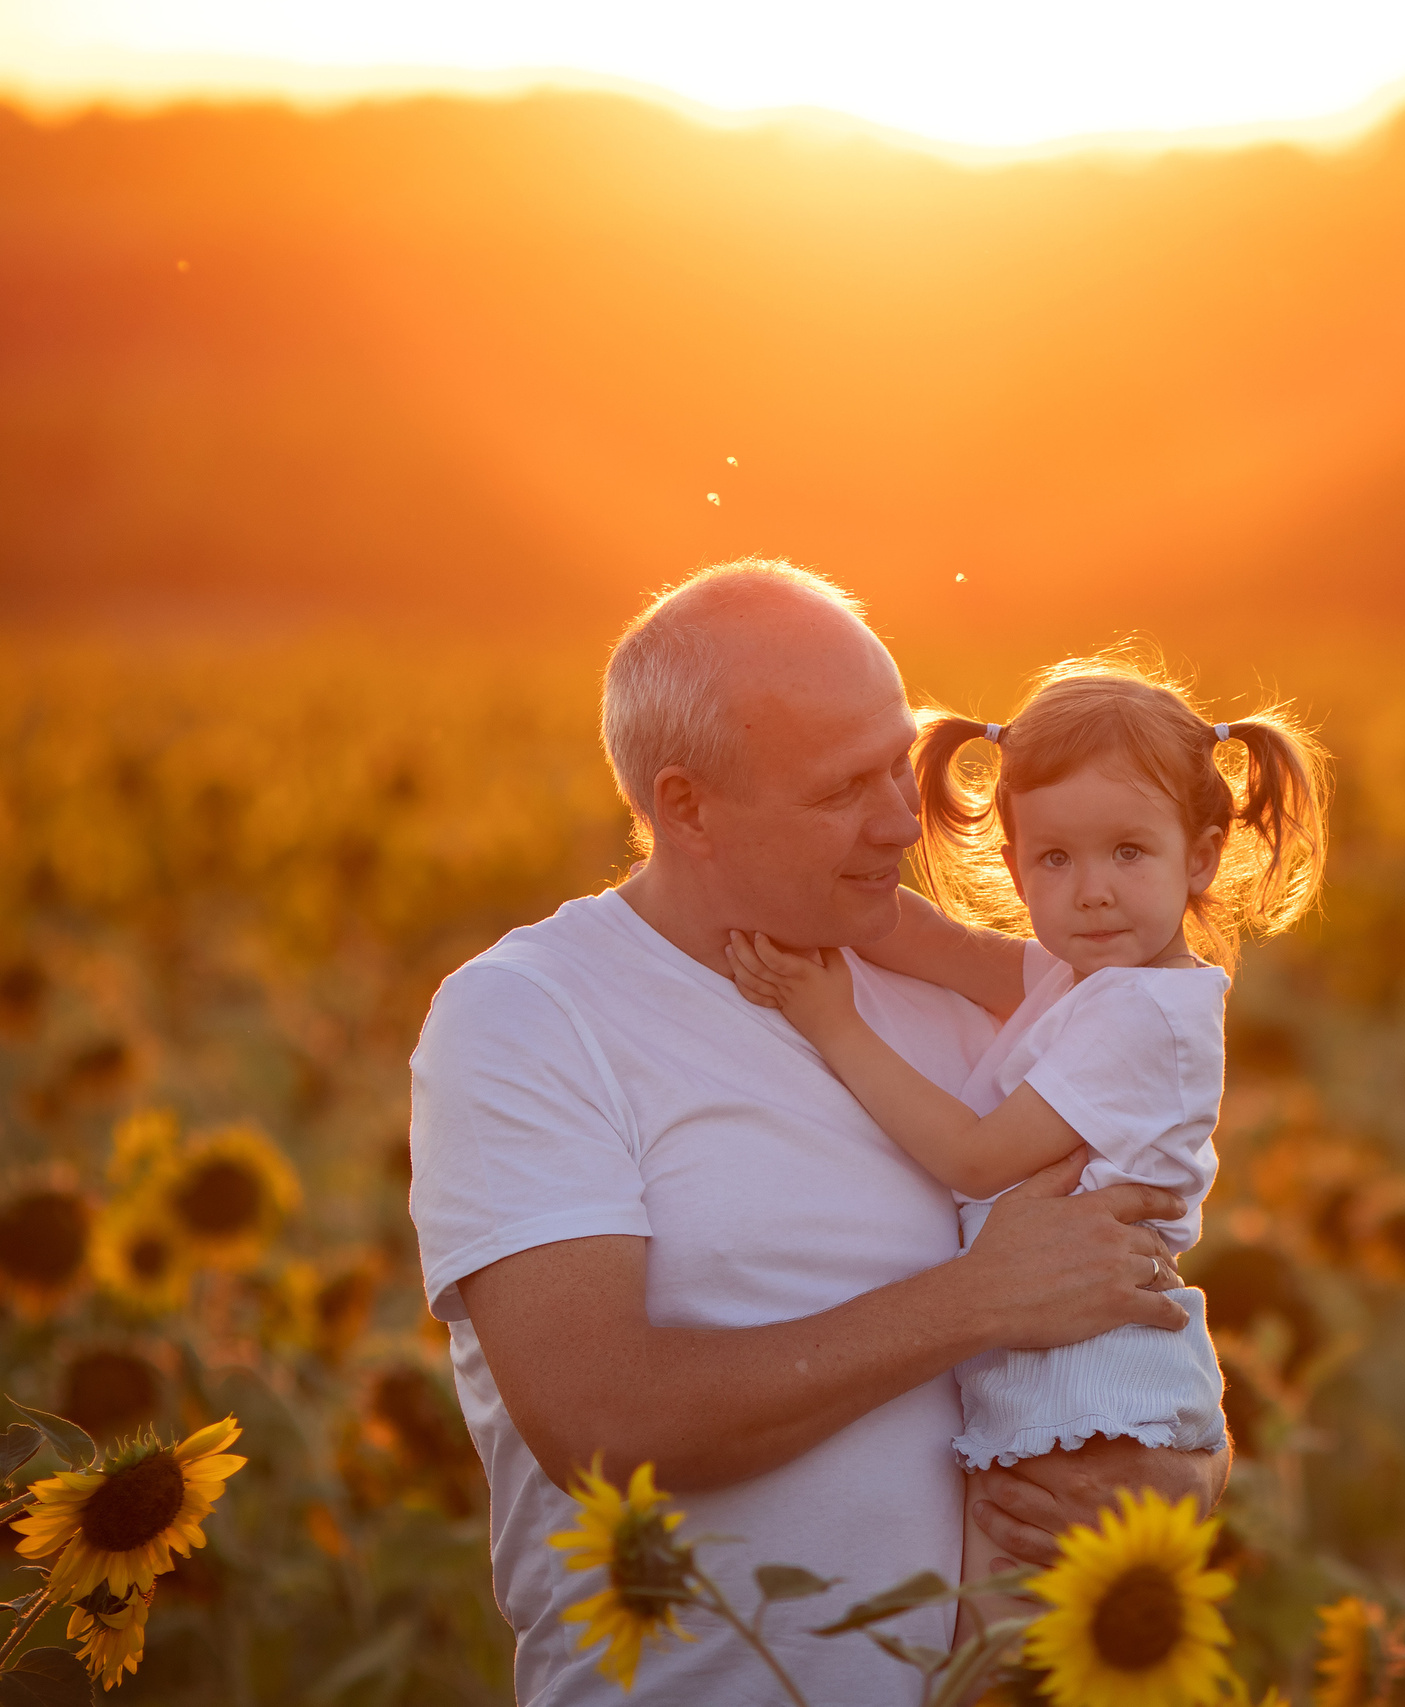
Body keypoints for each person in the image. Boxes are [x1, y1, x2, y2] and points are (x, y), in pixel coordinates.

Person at [406, 560, 1227, 1704]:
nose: (903, 820)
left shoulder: (974, 1002)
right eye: (846, 787)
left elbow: (1118, 1295)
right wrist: (974, 1301)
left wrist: (1180, 1469)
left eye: (900, 762)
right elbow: (600, 1419)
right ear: (686, 805)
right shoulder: (532, 1015)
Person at [726, 659, 1327, 1614]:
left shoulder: (1146, 1017)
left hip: (1091, 1403)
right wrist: (803, 891)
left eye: (1129, 851)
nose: (1091, 891)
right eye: (1056, 859)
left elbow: (972, 1158)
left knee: (997, 1662)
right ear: (1015, 866)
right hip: (1051, 1380)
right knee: (980, 1652)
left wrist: (829, 1019)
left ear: (1202, 856)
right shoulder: (1092, 977)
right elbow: (945, 949)